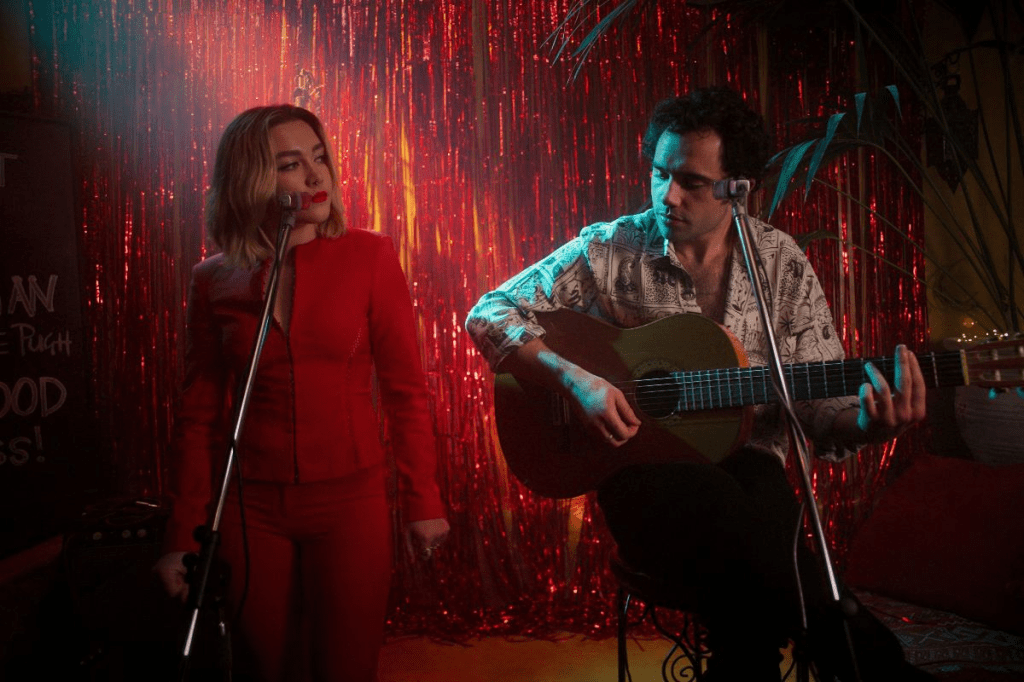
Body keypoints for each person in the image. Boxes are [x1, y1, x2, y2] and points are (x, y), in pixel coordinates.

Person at [465, 87, 931, 681]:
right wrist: (577, 381)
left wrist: (866, 424)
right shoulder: (611, 247)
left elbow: (816, 409)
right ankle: (878, 667)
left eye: (691, 181)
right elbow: (489, 312)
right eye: (660, 173)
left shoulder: (780, 264)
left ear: (739, 187)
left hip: (748, 473)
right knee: (760, 530)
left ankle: (746, 667)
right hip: (641, 479)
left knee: (756, 511)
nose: (668, 195)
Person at [153, 104, 450, 682]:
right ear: (250, 180)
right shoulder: (213, 279)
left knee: (347, 667)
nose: (317, 176)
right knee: (266, 665)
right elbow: (199, 416)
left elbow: (406, 391)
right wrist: (180, 534)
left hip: (351, 501)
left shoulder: (370, 255)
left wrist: (424, 501)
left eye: (320, 159)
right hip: (250, 507)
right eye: (291, 164)